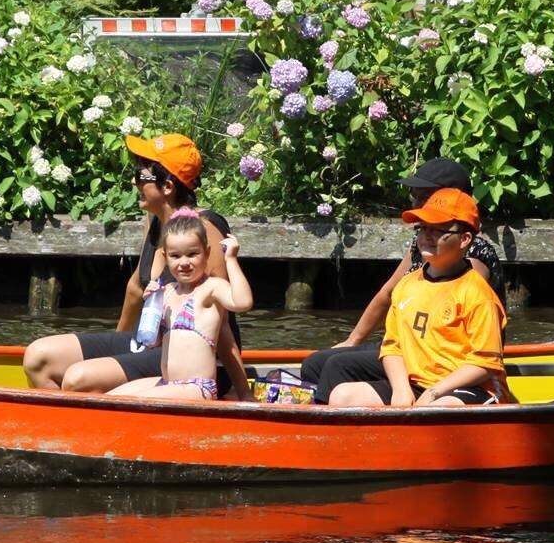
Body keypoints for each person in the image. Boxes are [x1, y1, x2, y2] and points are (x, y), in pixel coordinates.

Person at [23, 132, 246, 395]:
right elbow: (134, 290)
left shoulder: (203, 230)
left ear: (167, 187)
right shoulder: (154, 223)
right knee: (38, 357)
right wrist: (118, 348)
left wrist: (243, 391)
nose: (134, 180)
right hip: (152, 341)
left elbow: (222, 320)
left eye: (142, 176)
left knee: (80, 379)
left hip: (192, 358)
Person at [299, 158, 503, 398]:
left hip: (448, 357)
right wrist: (353, 340)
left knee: (338, 366)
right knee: (315, 363)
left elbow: (454, 307)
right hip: (414, 345)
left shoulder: (470, 256)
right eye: (415, 197)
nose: (417, 204)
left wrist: (433, 390)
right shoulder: (422, 248)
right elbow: (388, 293)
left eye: (423, 196)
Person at [108, 210, 253, 402]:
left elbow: (243, 302)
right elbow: (153, 342)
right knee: (109, 398)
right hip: (168, 384)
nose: (184, 262)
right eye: (175, 256)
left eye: (192, 254)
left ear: (207, 252)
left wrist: (231, 260)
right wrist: (151, 309)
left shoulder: (210, 289)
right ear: (165, 257)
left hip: (196, 387)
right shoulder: (167, 292)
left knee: (125, 403)